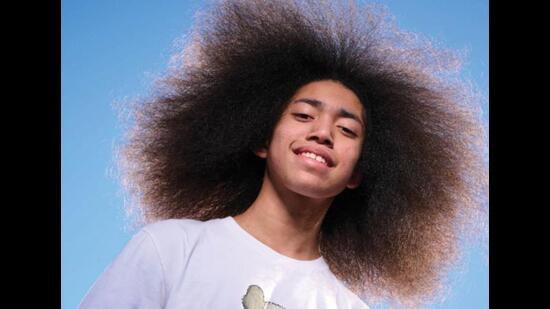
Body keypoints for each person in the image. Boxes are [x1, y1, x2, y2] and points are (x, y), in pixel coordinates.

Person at [79, 0, 488, 308]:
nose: (323, 132)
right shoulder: (170, 249)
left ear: (357, 173)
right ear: (260, 140)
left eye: (347, 130)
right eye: (303, 114)